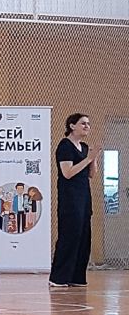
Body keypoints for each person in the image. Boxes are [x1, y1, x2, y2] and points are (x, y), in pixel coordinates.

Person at [49, 113, 96, 288]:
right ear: (72, 126)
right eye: (83, 123)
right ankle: (59, 277)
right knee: (70, 235)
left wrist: (93, 158)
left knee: (84, 236)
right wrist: (88, 159)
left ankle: (76, 277)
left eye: (88, 124)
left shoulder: (84, 147)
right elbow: (67, 173)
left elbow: (91, 174)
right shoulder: (65, 146)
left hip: (84, 197)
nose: (87, 126)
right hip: (70, 198)